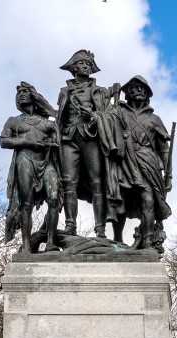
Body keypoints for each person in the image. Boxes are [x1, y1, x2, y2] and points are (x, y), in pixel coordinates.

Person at [54, 50, 122, 239]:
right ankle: (70, 225)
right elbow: (59, 117)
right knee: (69, 182)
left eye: (88, 64)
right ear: (74, 68)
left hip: (91, 137)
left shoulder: (100, 92)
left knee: (97, 182)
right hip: (69, 138)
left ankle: (100, 228)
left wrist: (93, 116)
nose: (86, 66)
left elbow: (111, 115)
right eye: (82, 63)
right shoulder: (64, 92)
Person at [111, 75, 172, 251]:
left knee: (148, 200)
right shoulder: (118, 113)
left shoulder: (155, 119)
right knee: (120, 200)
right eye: (134, 88)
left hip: (148, 162)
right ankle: (117, 239)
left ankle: (147, 242)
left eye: (142, 88)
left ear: (147, 94)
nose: (138, 90)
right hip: (124, 160)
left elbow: (163, 149)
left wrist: (169, 175)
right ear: (127, 93)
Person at [0, 82, 61, 253]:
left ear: (34, 96)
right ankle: (26, 245)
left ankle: (50, 242)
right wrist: (26, 141)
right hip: (25, 159)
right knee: (26, 203)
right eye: (18, 92)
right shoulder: (13, 121)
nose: (21, 94)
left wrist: (52, 143)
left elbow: (59, 143)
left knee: (54, 199)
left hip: (47, 161)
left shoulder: (48, 124)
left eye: (25, 91)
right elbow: (4, 141)